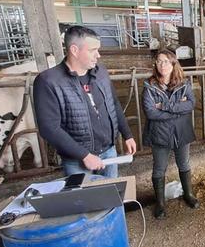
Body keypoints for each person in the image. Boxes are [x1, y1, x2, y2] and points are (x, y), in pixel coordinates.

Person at [33, 25, 136, 178]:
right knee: (84, 201)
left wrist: (127, 134)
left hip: (109, 152)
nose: (98, 55)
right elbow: (49, 128)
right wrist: (84, 155)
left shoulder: (100, 72)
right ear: (74, 50)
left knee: (110, 197)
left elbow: (113, 104)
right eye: (92, 50)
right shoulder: (49, 81)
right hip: (77, 161)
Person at [141, 50, 199, 219]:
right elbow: (151, 113)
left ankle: (188, 194)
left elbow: (190, 104)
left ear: (174, 64)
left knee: (184, 163)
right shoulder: (149, 85)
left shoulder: (184, 83)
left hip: (181, 131)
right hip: (160, 133)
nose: (162, 65)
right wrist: (177, 110)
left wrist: (165, 106)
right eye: (159, 61)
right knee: (159, 167)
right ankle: (160, 203)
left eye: (166, 61)